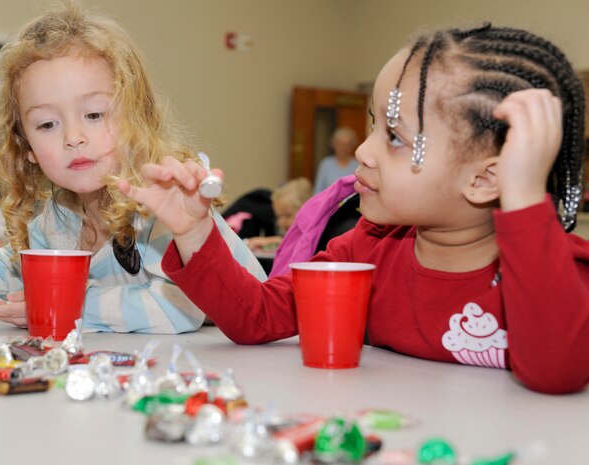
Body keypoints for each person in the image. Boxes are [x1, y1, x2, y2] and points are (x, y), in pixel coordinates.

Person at [117, 24, 589, 394]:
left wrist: (524, 198)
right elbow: (255, 317)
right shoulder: (366, 251)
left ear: (485, 179)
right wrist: (194, 229)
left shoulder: (559, 271)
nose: (363, 151)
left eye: (395, 137)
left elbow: (557, 373)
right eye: (372, 124)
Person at [0, 2, 265, 334]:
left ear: (136, 118)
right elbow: (16, 267)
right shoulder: (61, 218)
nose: (74, 137)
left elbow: (181, 305)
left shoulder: (165, 202)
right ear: (27, 147)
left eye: (95, 115)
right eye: (47, 124)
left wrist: (68, 304)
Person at [244, 177, 312, 252]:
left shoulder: (309, 233)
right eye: (278, 216)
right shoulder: (284, 232)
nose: (281, 222)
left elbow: (297, 242)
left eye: (287, 215)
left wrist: (272, 240)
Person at [312, 127, 359, 194]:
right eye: (340, 144)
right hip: (329, 203)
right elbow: (318, 190)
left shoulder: (357, 165)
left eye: (347, 144)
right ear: (334, 145)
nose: (343, 148)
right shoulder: (325, 164)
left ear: (352, 146)